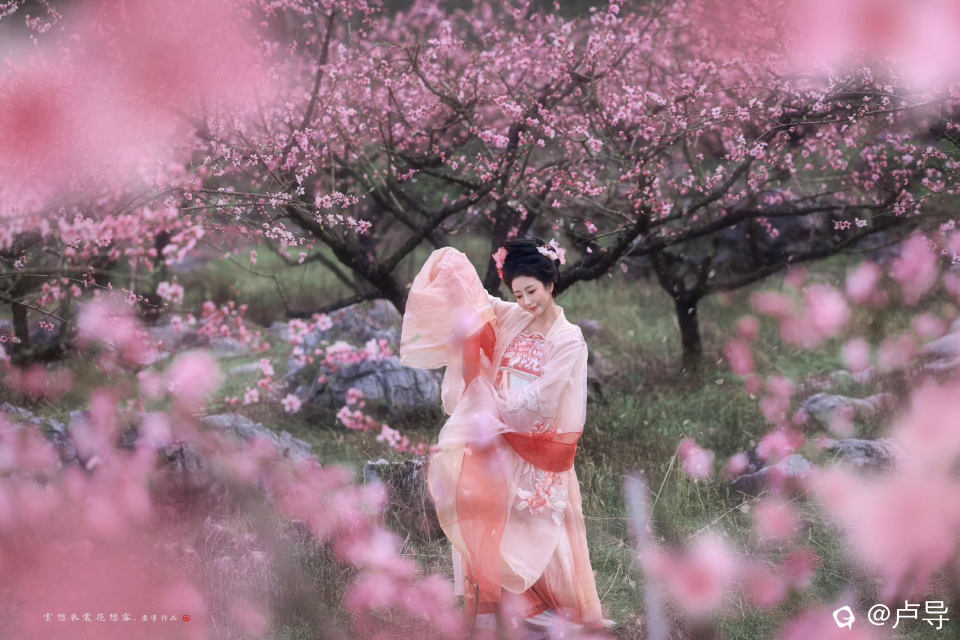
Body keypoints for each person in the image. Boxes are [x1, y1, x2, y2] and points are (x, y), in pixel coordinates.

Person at [399, 238, 605, 636]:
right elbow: (477, 305)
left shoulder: (568, 338)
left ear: (551, 284)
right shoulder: (513, 316)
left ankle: (553, 610)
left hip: (537, 445)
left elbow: (544, 398)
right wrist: (452, 269)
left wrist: (492, 404)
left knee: (540, 529)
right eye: (518, 293)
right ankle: (500, 609)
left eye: (532, 291)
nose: (526, 301)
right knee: (491, 516)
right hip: (498, 440)